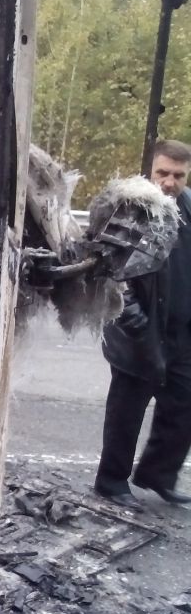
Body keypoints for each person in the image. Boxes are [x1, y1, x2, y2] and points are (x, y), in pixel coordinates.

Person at [95, 139, 191, 509]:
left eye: (178, 175)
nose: (169, 182)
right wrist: (134, 323)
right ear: (149, 170)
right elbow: (111, 274)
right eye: (162, 173)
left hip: (181, 333)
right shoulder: (131, 208)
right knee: (127, 411)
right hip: (137, 331)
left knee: (183, 406)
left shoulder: (188, 207)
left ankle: (158, 475)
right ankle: (111, 481)